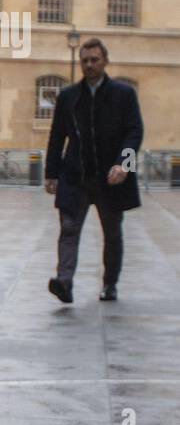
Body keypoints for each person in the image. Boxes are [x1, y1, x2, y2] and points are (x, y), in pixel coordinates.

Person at [44, 38, 144, 304]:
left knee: (112, 233)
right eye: (85, 61)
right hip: (75, 176)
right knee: (68, 228)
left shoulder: (124, 94)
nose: (89, 65)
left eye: (94, 60)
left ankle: (110, 283)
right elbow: (57, 137)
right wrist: (51, 173)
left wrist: (124, 165)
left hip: (110, 178)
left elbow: (135, 132)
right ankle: (64, 282)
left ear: (105, 61)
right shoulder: (68, 97)